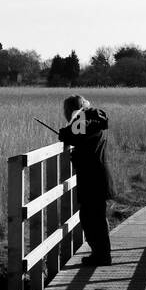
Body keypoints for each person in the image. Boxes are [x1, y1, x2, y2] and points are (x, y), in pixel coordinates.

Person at [57, 94, 116, 265]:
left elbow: (72, 134)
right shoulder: (95, 119)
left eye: (67, 111)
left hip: (93, 177)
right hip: (96, 176)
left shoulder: (88, 121)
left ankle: (101, 256)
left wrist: (65, 133)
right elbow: (80, 135)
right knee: (95, 217)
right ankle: (101, 254)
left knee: (91, 219)